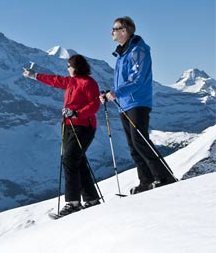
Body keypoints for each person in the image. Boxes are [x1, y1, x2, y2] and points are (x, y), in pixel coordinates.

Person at [101, 16, 176, 194]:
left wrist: (117, 93)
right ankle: (146, 181)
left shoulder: (138, 50)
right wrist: (109, 93)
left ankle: (165, 177)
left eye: (115, 28)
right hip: (124, 104)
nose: (111, 32)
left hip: (137, 101)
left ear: (124, 30)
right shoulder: (121, 54)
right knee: (133, 146)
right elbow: (123, 82)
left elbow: (137, 78)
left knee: (140, 141)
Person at [23, 54, 101, 216]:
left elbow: (94, 105)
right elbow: (54, 80)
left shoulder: (89, 83)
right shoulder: (71, 81)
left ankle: (73, 202)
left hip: (83, 126)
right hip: (69, 126)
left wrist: (77, 113)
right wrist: (34, 75)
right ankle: (92, 199)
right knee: (78, 162)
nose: (67, 68)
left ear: (76, 66)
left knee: (69, 159)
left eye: (69, 65)